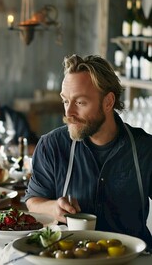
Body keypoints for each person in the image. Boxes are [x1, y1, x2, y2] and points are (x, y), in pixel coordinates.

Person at [25, 54, 152, 249]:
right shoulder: (51, 145)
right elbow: (33, 201)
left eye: (80, 103)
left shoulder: (144, 148)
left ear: (108, 102)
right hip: (70, 257)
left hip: (133, 259)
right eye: (66, 101)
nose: (68, 114)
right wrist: (54, 208)